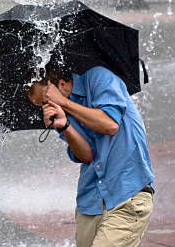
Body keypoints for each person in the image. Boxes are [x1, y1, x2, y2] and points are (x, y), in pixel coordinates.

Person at [26, 62, 154, 247]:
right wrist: (64, 126)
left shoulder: (99, 77)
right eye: (41, 105)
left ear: (60, 85)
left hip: (126, 195)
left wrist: (64, 103)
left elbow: (110, 125)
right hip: (90, 202)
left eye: (46, 101)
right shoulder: (63, 113)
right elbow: (87, 156)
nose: (46, 108)